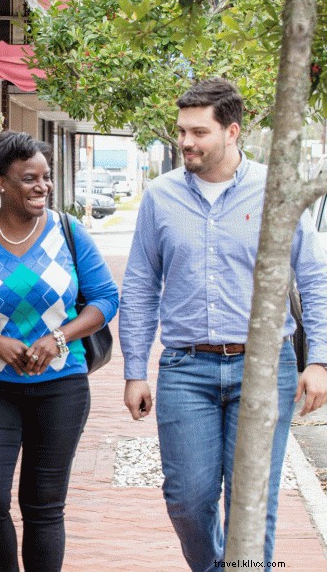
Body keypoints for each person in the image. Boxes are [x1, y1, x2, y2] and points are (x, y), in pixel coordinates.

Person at [120, 78, 327, 571]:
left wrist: (318, 359)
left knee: (252, 502)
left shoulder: (276, 189)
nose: (186, 142)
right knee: (187, 499)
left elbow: (314, 277)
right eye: (181, 132)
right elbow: (141, 285)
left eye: (199, 132)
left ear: (232, 131)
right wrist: (134, 369)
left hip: (263, 368)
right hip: (185, 367)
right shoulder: (160, 196)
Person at [0, 131, 119, 572]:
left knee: (42, 507)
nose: (42, 187)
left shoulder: (67, 231)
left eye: (46, 178)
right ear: (1, 182)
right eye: (29, 178)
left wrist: (58, 337)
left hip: (61, 386)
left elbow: (105, 299)